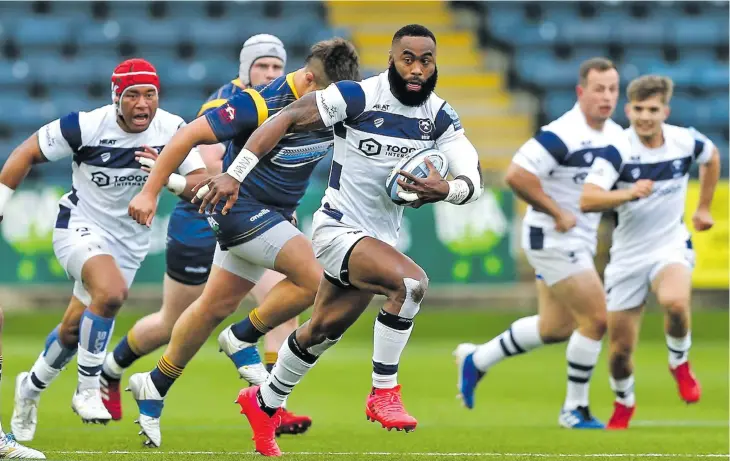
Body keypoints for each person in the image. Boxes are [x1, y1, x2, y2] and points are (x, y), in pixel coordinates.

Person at [201, 24, 484, 456]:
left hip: (379, 239)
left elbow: (472, 174)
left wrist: (448, 190)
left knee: (321, 332)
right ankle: (383, 391)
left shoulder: (439, 116)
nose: (417, 69)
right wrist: (234, 174)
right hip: (338, 229)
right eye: (407, 59)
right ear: (392, 60)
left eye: (426, 61)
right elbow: (288, 117)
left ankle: (264, 403)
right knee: (409, 285)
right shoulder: (357, 96)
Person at [125, 38, 361, 448]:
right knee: (313, 279)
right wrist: (149, 191)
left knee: (212, 306)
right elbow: (187, 136)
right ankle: (242, 337)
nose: (331, 108)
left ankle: (155, 383)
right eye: (325, 97)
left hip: (271, 215)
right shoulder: (261, 102)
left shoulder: (341, 101)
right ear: (308, 79)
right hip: (235, 205)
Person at [99, 34, 310, 435]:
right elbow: (211, 177)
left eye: (276, 67)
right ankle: (111, 367)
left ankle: (271, 405)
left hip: (250, 218)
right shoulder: (224, 106)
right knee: (172, 323)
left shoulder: (286, 103)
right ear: (245, 68)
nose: (269, 73)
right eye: (261, 66)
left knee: (285, 294)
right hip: (199, 220)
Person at [4, 59, 207, 441]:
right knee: (111, 293)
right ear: (117, 98)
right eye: (132, 95)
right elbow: (24, 153)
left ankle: (29, 389)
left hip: (129, 242)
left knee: (70, 331)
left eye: (150, 94)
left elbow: (201, 185)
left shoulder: (172, 129)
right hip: (79, 226)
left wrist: (169, 177)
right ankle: (87, 389)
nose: (142, 103)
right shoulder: (84, 125)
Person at [454, 57, 625, 429]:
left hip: (575, 239)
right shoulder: (561, 133)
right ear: (581, 92)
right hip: (552, 237)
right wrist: (556, 211)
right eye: (599, 88)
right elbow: (517, 175)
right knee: (596, 319)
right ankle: (574, 410)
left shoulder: (616, 135)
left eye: (613, 89)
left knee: (554, 328)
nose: (607, 96)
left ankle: (476, 359)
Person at [580, 75, 720, 429]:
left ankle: (679, 362)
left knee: (675, 301)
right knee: (620, 352)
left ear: (665, 111)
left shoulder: (683, 140)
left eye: (653, 109)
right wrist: (626, 193)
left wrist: (703, 207)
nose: (645, 116)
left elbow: (712, 156)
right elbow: (588, 198)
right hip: (627, 256)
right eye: (638, 109)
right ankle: (624, 400)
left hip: (669, 244)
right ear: (628, 110)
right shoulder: (618, 150)